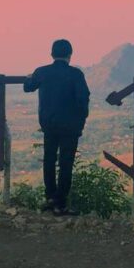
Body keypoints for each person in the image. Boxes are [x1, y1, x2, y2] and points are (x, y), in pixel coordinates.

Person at [24, 39, 90, 216]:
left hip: (49, 125)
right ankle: (61, 203)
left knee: (49, 160)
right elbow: (83, 100)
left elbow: (28, 87)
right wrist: (81, 121)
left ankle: (50, 198)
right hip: (70, 127)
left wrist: (29, 78)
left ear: (52, 54)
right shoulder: (76, 75)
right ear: (70, 55)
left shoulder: (42, 72)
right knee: (66, 163)